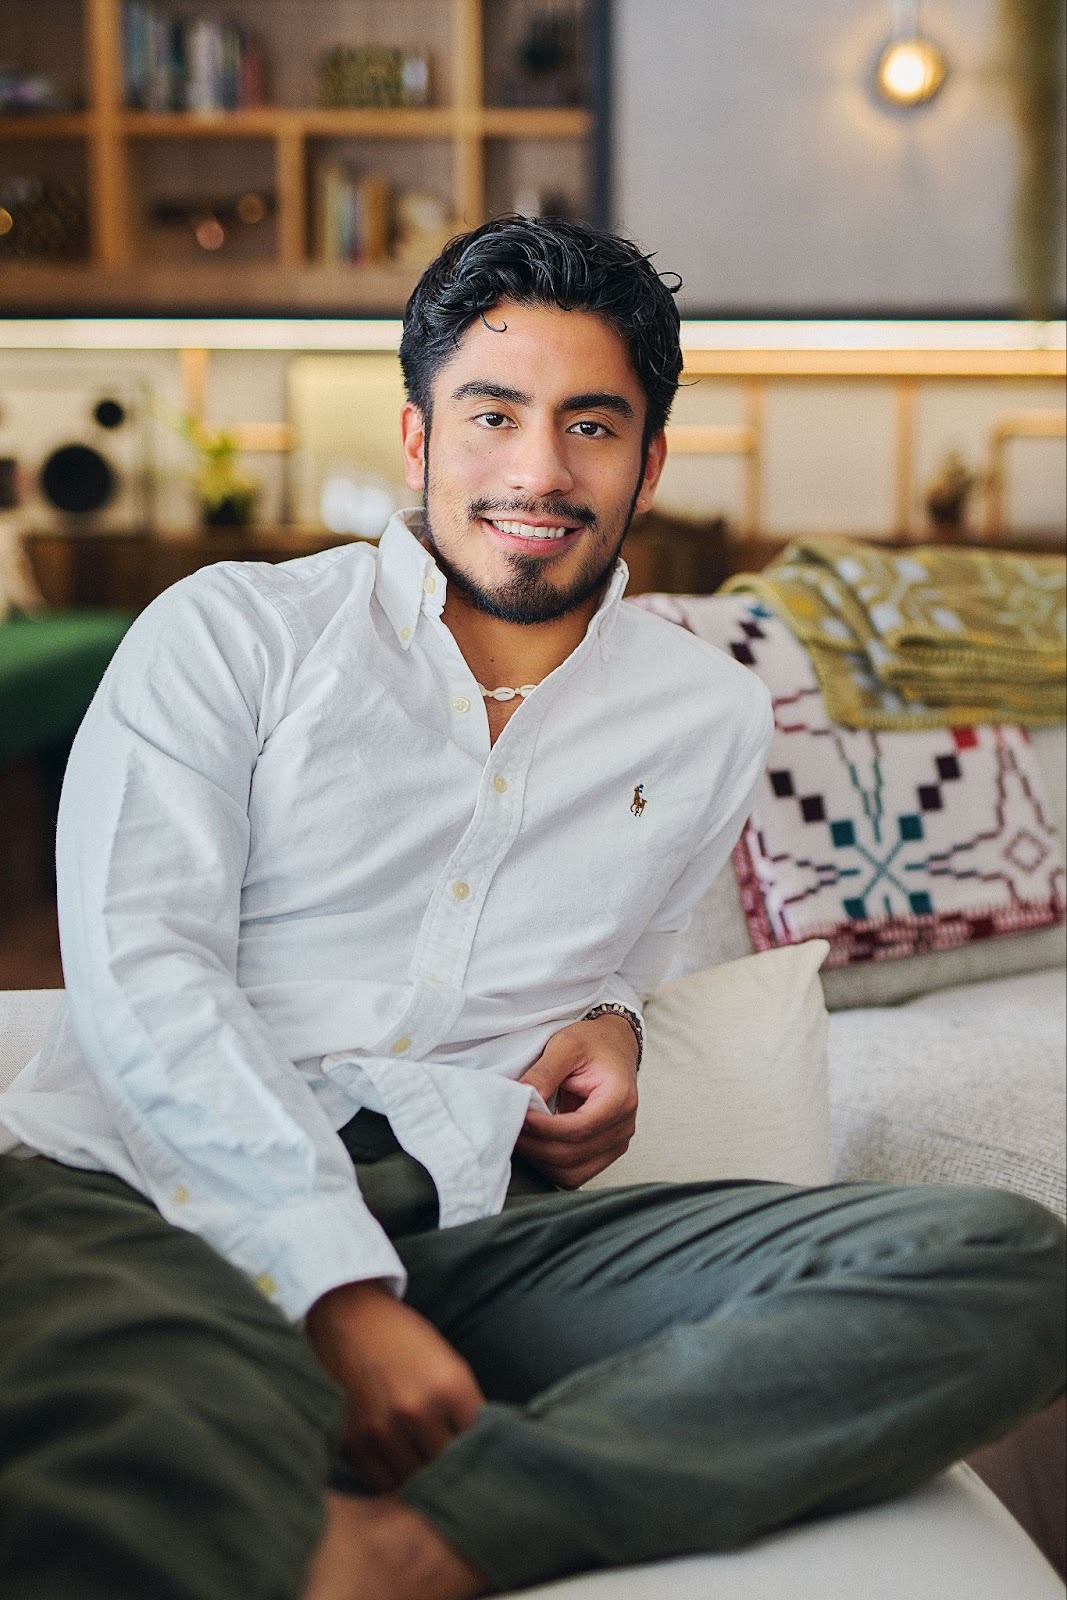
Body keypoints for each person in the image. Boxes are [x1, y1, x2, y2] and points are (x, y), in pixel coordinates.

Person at [0, 217, 1063, 1600]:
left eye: (592, 425)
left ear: (651, 461)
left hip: (474, 1225)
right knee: (116, 1465)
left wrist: (614, 1017)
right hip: (148, 1195)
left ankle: (427, 1543)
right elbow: (146, 972)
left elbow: (628, 935)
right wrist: (334, 1293)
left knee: (1001, 1264)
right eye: (493, 413)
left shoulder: (705, 715)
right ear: (419, 437)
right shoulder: (230, 635)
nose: (540, 471)